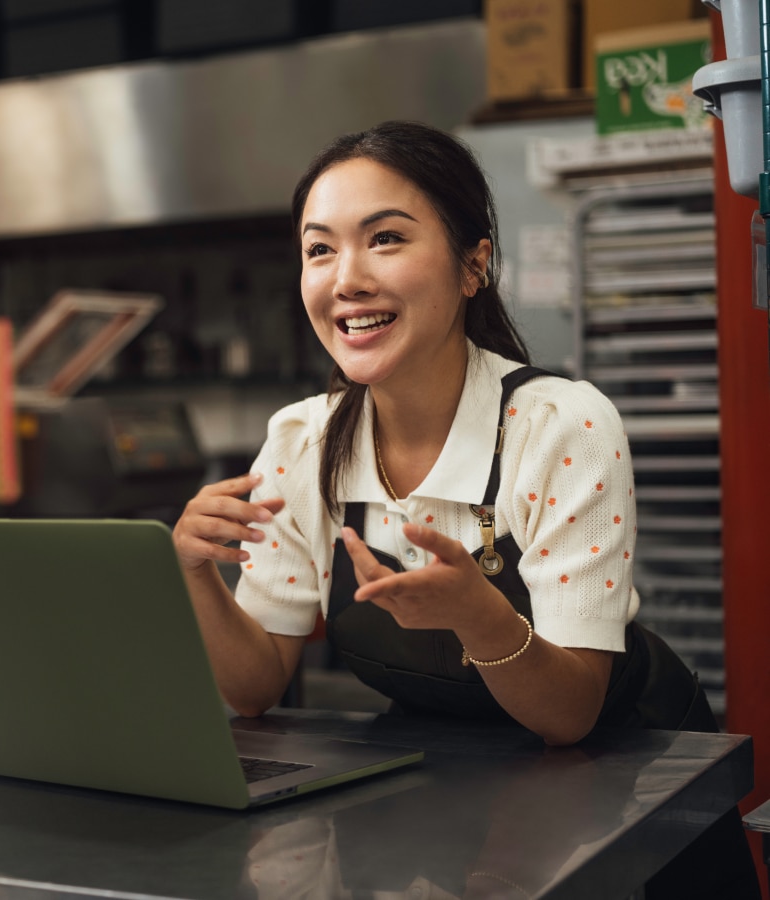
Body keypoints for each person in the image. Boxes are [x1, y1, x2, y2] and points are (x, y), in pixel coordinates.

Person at [171, 120, 757, 899]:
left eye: (385, 238)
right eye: (320, 248)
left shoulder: (560, 425)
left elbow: (570, 715)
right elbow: (253, 688)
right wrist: (193, 573)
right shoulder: (301, 440)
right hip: (455, 787)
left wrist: (478, 616)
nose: (346, 278)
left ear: (473, 263)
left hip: (627, 785)